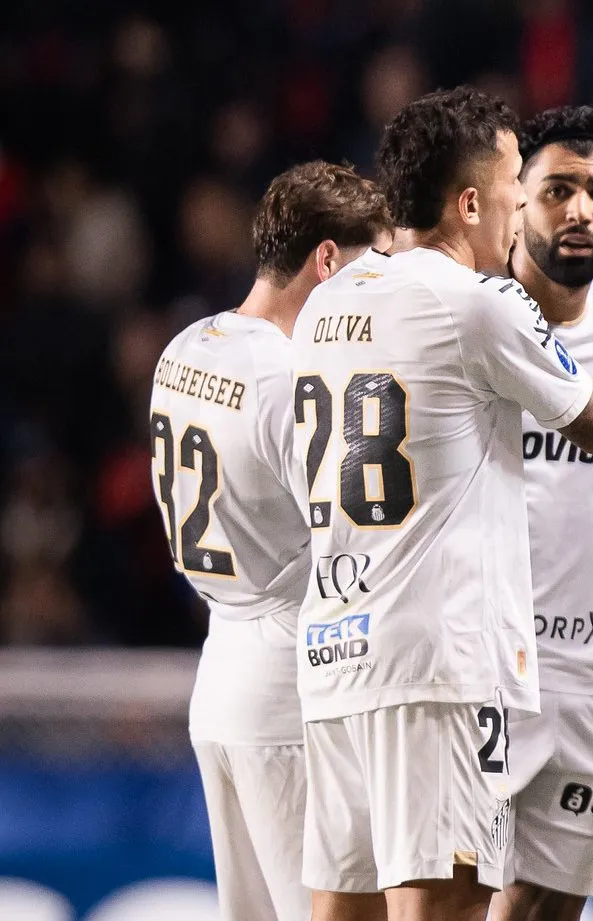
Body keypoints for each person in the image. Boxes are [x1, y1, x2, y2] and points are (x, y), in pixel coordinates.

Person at [291, 87, 593, 921]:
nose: (525, 205)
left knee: (342, 907)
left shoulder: (329, 300)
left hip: (337, 651)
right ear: (473, 200)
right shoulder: (474, 303)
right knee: (446, 906)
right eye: (519, 183)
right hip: (440, 662)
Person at [150, 161, 392, 921]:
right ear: (327, 260)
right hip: (288, 676)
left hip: (219, 670)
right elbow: (356, 538)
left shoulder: (186, 344)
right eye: (367, 267)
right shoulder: (293, 379)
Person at [490, 105, 593, 921]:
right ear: (516, 200)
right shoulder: (471, 314)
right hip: (476, 658)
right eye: (557, 189)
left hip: (580, 663)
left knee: (554, 897)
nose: (579, 209)